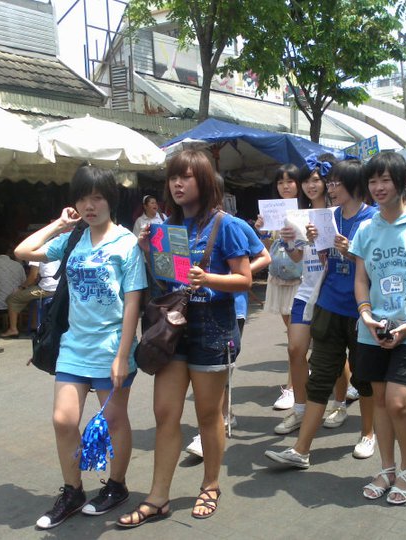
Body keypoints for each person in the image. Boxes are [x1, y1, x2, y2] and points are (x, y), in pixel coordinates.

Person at [117, 150, 251, 527]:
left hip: (213, 327)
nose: (177, 184)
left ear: (203, 181)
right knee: (165, 413)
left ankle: (210, 485)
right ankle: (158, 497)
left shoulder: (226, 225)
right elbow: (167, 283)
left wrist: (208, 278)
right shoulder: (166, 227)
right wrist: (149, 250)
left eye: (186, 177)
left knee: (208, 415)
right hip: (173, 330)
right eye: (174, 177)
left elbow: (244, 278)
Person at [14, 165, 147, 530]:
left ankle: (117, 486)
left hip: (111, 346)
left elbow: (132, 303)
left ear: (111, 200)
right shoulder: (73, 239)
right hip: (74, 345)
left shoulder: (126, 244)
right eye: (83, 198)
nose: (90, 206)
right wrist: (60, 224)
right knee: (63, 420)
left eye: (98, 198)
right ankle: (73, 491)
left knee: (114, 421)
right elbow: (23, 250)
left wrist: (122, 355)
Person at [264, 159, 378, 470]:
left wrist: (350, 250)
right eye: (330, 183)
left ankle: (368, 433)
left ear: (354, 185)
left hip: (362, 309)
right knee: (320, 374)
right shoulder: (329, 217)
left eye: (336, 183)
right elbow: (317, 259)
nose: (330, 188)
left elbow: (377, 265)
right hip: (327, 302)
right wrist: (311, 242)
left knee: (364, 376)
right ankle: (300, 450)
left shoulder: (373, 219)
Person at [349, 151, 406, 505]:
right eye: (372, 181)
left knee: (399, 402)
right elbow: (361, 279)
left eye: (385, 180)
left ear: (402, 183)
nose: (378, 187)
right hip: (373, 328)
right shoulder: (365, 229)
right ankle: (386, 468)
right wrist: (365, 313)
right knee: (379, 402)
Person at [185, 173, 271, 459]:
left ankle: (218, 420)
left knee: (220, 369)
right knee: (214, 372)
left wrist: (233, 275)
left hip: (232, 307)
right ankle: (221, 417)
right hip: (195, 309)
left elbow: (264, 257)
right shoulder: (185, 226)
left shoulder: (232, 225)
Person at [272, 156, 352, 435]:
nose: (311, 185)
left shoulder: (339, 214)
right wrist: (288, 241)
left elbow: (340, 256)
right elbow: (297, 257)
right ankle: (300, 410)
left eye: (317, 180)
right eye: (306, 180)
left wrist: (321, 240)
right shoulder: (297, 215)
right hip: (306, 289)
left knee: (332, 353)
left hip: (332, 290)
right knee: (295, 349)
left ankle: (339, 404)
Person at [255, 164, 305, 411]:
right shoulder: (271, 213)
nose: (285, 186)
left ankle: (294, 387)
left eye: (290, 181)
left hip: (304, 279)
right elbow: (267, 248)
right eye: (281, 182)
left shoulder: (306, 211)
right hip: (280, 277)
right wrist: (262, 231)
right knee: (292, 335)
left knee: (299, 338)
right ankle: (298, 379)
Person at [0, 259, 61, 338]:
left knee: (12, 299)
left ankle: (13, 329)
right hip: (59, 287)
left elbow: (33, 277)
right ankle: (34, 325)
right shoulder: (54, 253)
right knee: (33, 299)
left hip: (47, 288)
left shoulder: (36, 256)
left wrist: (22, 287)